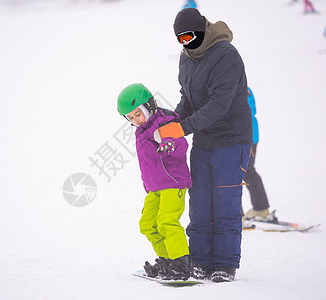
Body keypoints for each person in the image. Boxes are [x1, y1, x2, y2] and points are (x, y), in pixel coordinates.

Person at [157, 8, 252, 282]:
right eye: (180, 38)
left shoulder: (226, 55)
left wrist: (183, 128)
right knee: (199, 201)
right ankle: (200, 260)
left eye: (189, 36)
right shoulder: (186, 58)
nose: (186, 42)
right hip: (204, 139)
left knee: (224, 201)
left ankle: (224, 263)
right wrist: (169, 125)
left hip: (231, 138)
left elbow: (218, 105)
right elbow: (187, 100)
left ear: (201, 31)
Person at [117, 83, 193, 281]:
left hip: (173, 183)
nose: (136, 120)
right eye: (131, 118)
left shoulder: (164, 122)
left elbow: (181, 144)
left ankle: (181, 262)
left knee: (167, 221)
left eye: (138, 114)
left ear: (149, 106)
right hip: (154, 187)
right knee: (148, 224)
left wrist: (170, 143)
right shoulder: (141, 130)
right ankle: (167, 259)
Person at [242, 87, 274, 221]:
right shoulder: (238, 87)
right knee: (246, 172)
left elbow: (248, 111)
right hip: (246, 137)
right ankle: (260, 208)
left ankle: (259, 209)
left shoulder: (242, 89)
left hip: (246, 137)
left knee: (245, 172)